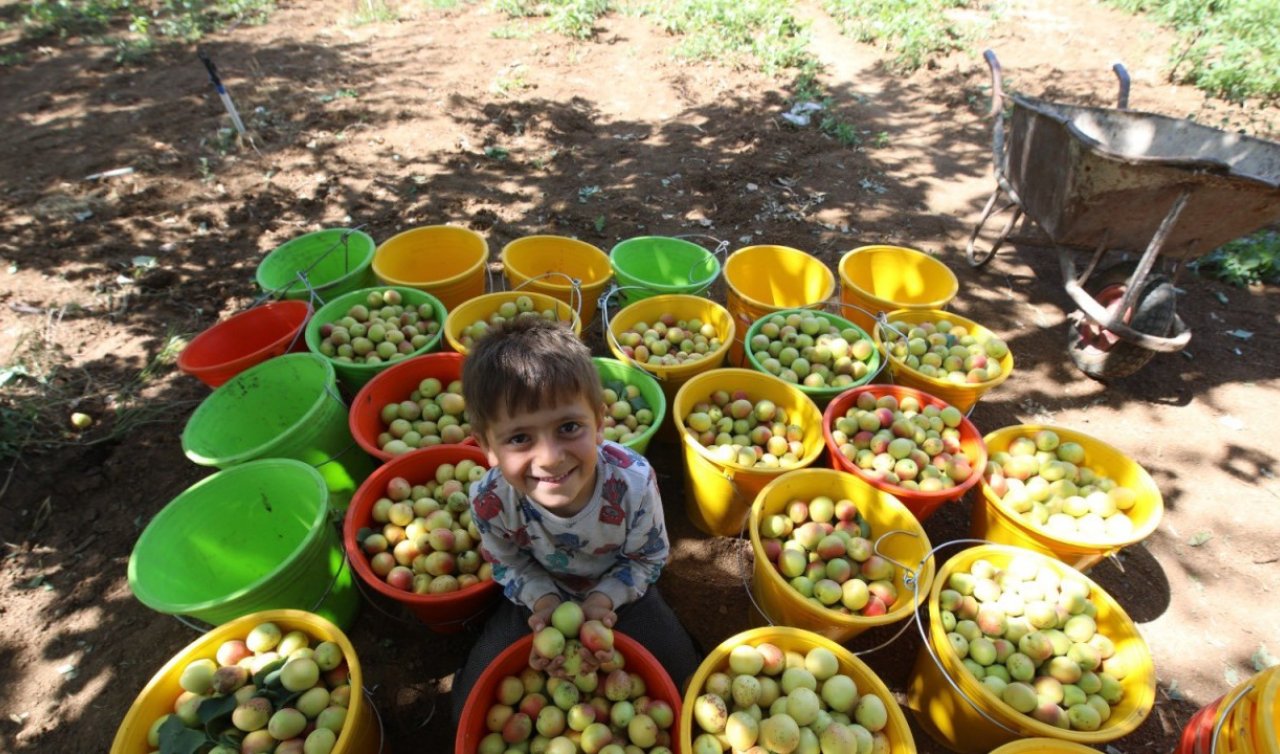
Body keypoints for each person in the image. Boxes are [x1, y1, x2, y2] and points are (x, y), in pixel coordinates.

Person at [449, 313, 702, 724]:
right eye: (519, 438)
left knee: (683, 675)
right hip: (541, 597)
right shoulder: (490, 501)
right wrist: (544, 602)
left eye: (568, 427)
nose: (549, 457)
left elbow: (647, 558)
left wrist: (604, 600)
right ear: (487, 447)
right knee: (474, 697)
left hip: (620, 590)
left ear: (600, 422)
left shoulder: (633, 484)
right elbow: (509, 563)